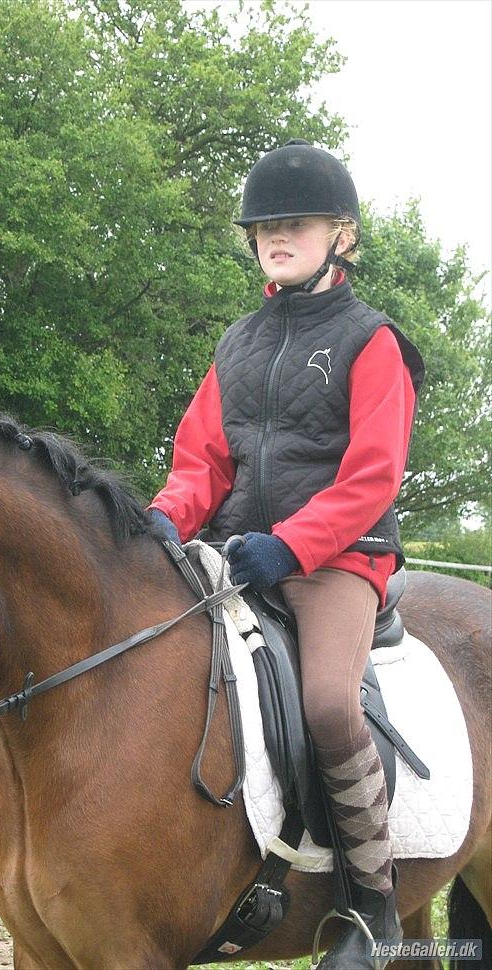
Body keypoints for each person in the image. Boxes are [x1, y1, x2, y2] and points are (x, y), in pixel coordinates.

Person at [148, 139, 424, 969]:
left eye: (294, 223)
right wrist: (163, 521)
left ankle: (373, 910)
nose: (275, 235)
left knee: (332, 708)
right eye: (264, 226)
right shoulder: (238, 343)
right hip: (233, 548)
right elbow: (202, 460)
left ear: (341, 234)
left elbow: (372, 476)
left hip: (338, 561)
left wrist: (292, 545)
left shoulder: (373, 342)